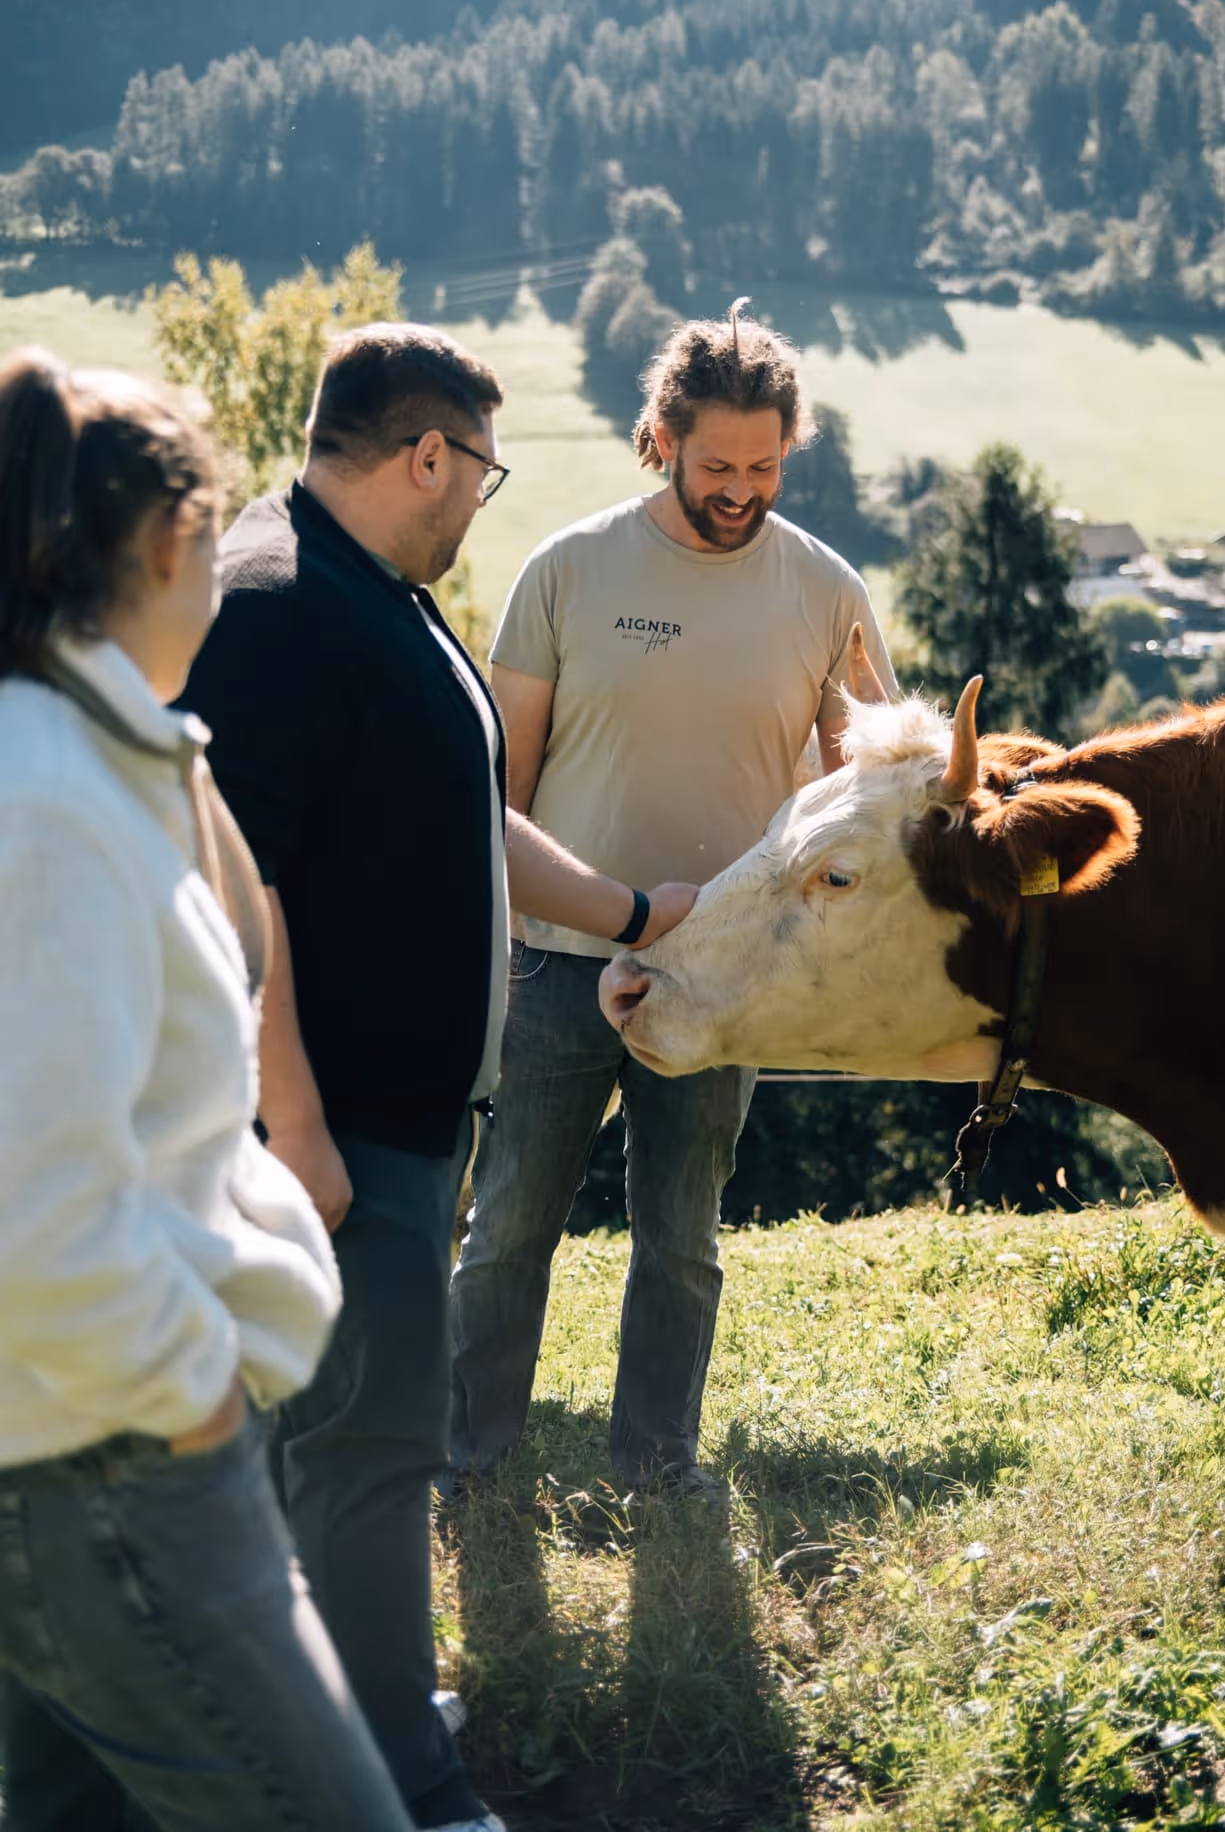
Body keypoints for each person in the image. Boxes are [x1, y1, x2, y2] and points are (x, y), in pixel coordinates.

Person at [181, 322, 693, 1832]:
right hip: (341, 1140)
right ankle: (399, 1790)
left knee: (345, 1450)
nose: (483, 494)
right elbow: (240, 876)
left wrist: (634, 913)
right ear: (427, 456)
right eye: (480, 466)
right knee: (368, 1456)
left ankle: (340, 1729)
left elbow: (473, 822)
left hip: (398, 1126)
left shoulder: (380, 604)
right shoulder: (278, 606)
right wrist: (296, 1124)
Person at [0, 348, 418, 1832]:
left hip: (71, 1449)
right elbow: (32, 1214)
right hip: (111, 1466)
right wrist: (188, 1400)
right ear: (168, 541)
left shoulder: (83, 758)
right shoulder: (43, 797)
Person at [446, 302, 898, 1499]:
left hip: (720, 973)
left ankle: (656, 1463)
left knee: (683, 1243)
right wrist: (513, 939)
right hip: (553, 958)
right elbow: (503, 783)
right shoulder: (567, 568)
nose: (740, 488)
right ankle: (467, 1459)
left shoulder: (828, 591)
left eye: (762, 465)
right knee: (505, 1232)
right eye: (715, 466)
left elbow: (866, 798)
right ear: (660, 437)